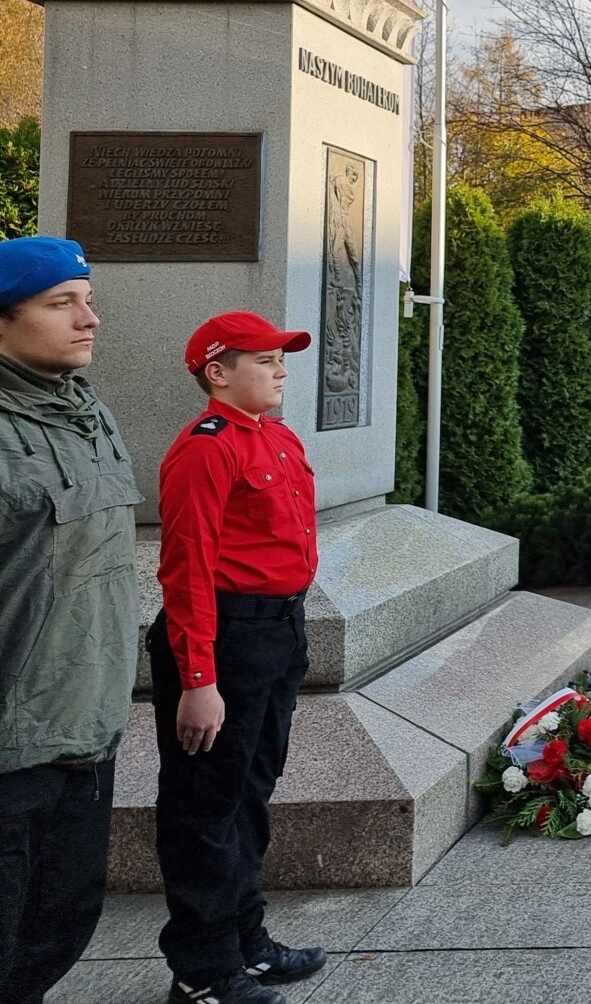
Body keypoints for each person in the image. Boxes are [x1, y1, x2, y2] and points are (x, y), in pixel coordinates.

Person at [152, 312, 328, 1003]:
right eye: (265, 360)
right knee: (205, 807)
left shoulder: (276, 438)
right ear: (217, 373)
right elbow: (186, 566)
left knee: (249, 796)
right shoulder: (206, 447)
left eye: (282, 358)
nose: (281, 369)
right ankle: (201, 969)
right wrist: (200, 678)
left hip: (275, 633)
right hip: (225, 638)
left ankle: (244, 942)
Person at [0, 238, 141, 1004]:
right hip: (10, 753)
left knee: (56, 932)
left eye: (86, 300)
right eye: (62, 303)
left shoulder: (88, 413)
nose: (89, 319)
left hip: (85, 733)